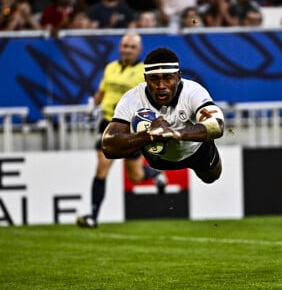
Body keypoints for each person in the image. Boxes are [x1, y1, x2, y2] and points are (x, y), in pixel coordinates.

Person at [76, 33, 167, 228]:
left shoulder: (145, 73)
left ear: (139, 50)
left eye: (132, 47)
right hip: (108, 123)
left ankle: (154, 174)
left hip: (130, 127)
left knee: (135, 175)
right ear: (120, 47)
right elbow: (102, 91)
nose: (127, 50)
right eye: (125, 46)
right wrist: (92, 105)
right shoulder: (110, 68)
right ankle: (93, 215)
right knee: (102, 164)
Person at [101, 46, 224, 187]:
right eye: (154, 79)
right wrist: (150, 135)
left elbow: (218, 126)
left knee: (211, 178)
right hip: (157, 157)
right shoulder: (132, 98)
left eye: (167, 78)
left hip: (197, 150)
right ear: (145, 79)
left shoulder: (193, 91)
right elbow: (108, 147)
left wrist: (176, 133)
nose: (161, 85)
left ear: (178, 77)